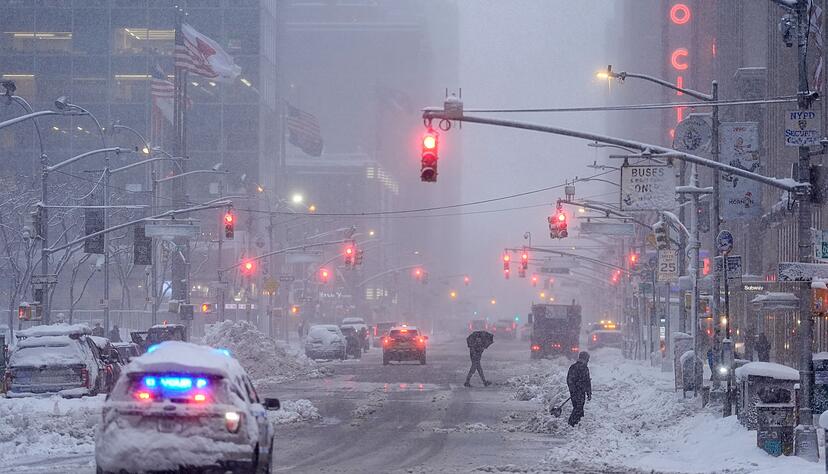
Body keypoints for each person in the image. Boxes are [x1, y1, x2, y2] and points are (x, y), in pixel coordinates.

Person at [566, 351, 592, 427]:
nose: (588, 361)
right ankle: (572, 423)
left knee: (578, 407)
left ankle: (576, 422)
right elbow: (587, 382)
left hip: (578, 392)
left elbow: (569, 380)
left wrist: (588, 393)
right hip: (578, 392)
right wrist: (575, 389)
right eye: (587, 359)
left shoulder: (574, 367)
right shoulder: (581, 368)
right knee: (578, 407)